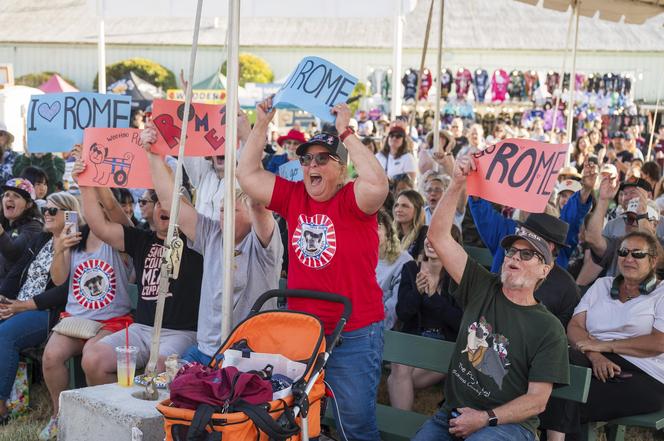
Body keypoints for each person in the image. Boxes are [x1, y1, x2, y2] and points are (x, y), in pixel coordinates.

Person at [237, 97, 389, 441]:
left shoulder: (353, 198)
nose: (311, 165)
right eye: (306, 159)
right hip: (302, 332)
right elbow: (246, 175)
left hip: (354, 333)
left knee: (355, 427)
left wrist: (346, 132)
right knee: (297, 420)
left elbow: (379, 184)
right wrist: (261, 124)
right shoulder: (294, 197)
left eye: (323, 158)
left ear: (342, 169)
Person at [415, 154, 569, 441]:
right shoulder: (482, 286)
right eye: (512, 251)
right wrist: (458, 181)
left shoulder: (549, 328)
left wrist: (485, 418)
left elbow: (537, 400)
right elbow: (438, 237)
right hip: (453, 414)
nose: (514, 258)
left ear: (545, 270)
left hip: (507, 426)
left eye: (528, 255)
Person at [138, 129, 282, 364]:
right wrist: (153, 156)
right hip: (205, 350)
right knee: (170, 390)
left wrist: (259, 127)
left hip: (248, 355)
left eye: (233, 211)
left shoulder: (263, 243)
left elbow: (258, 203)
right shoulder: (213, 233)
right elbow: (170, 202)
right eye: (223, 210)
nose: (224, 216)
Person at [79, 163, 203, 384]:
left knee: (161, 366)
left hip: (181, 333)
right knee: (93, 359)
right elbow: (99, 226)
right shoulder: (141, 239)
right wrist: (85, 183)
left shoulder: (197, 240)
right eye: (156, 203)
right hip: (141, 330)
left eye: (168, 202)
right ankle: (117, 414)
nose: (162, 207)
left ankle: (152, 417)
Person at [544, 230, 664, 440]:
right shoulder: (602, 285)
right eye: (623, 252)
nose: (628, 258)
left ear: (653, 261)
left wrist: (606, 346)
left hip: (645, 375)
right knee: (561, 362)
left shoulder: (661, 294)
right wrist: (596, 355)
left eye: (637, 254)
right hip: (591, 360)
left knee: (566, 395)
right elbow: (574, 326)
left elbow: (659, 342)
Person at [39, 183, 134, 439]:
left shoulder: (119, 238)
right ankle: (60, 417)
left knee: (91, 359)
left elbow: (117, 213)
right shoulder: (75, 235)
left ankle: (104, 418)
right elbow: (59, 280)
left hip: (113, 320)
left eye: (96, 204)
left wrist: (94, 183)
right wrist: (60, 248)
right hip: (76, 318)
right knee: (50, 357)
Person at [0, 192, 79, 429]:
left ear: (70, 214)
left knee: (6, 335)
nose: (46, 213)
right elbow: (17, 272)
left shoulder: (76, 242)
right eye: (45, 209)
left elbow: (65, 291)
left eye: (53, 210)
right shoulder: (41, 239)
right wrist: (3, 299)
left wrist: (22, 306)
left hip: (47, 312)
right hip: (20, 305)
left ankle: (1, 406)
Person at [388, 233, 462, 411]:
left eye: (438, 235)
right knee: (399, 368)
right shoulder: (411, 269)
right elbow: (403, 314)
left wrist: (433, 297)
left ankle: (399, 425)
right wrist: (417, 293)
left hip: (444, 344)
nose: (431, 241)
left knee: (398, 378)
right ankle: (402, 429)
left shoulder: (458, 276)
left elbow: (461, 322)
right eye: (429, 236)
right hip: (413, 338)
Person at [182, 110, 251, 219]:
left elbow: (249, 151)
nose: (220, 151)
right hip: (202, 235)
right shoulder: (203, 174)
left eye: (226, 148)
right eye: (217, 146)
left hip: (231, 236)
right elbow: (187, 144)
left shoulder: (244, 178)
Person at [0, 178, 43, 280]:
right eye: (6, 195)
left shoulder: (34, 226)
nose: (9, 199)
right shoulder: (6, 222)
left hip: (12, 292)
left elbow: (14, 255)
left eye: (16, 196)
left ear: (28, 205)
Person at [376, 209, 412, 330]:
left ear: (388, 232)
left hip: (382, 331)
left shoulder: (404, 262)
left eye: (377, 227)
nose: (370, 231)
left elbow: (393, 310)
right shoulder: (356, 259)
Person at [393, 190, 428, 261]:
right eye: (397, 205)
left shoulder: (424, 232)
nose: (398, 210)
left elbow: (421, 263)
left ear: (417, 210)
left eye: (405, 206)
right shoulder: (391, 232)